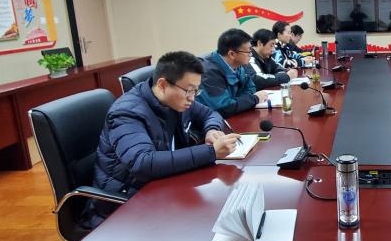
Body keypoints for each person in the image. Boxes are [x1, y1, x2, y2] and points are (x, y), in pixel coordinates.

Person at [87, 51, 241, 228]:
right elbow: (143, 162)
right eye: (189, 90)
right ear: (162, 85)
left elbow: (209, 114)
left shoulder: (176, 100)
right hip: (125, 204)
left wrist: (211, 129)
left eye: (196, 91)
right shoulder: (127, 113)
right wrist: (211, 152)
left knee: (222, 211)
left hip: (165, 186)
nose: (192, 98)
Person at [197, 29, 269, 117]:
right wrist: (255, 99)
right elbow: (224, 108)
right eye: (248, 51)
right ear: (232, 54)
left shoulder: (237, 64)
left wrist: (238, 102)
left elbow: (251, 87)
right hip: (206, 122)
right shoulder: (208, 72)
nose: (251, 54)